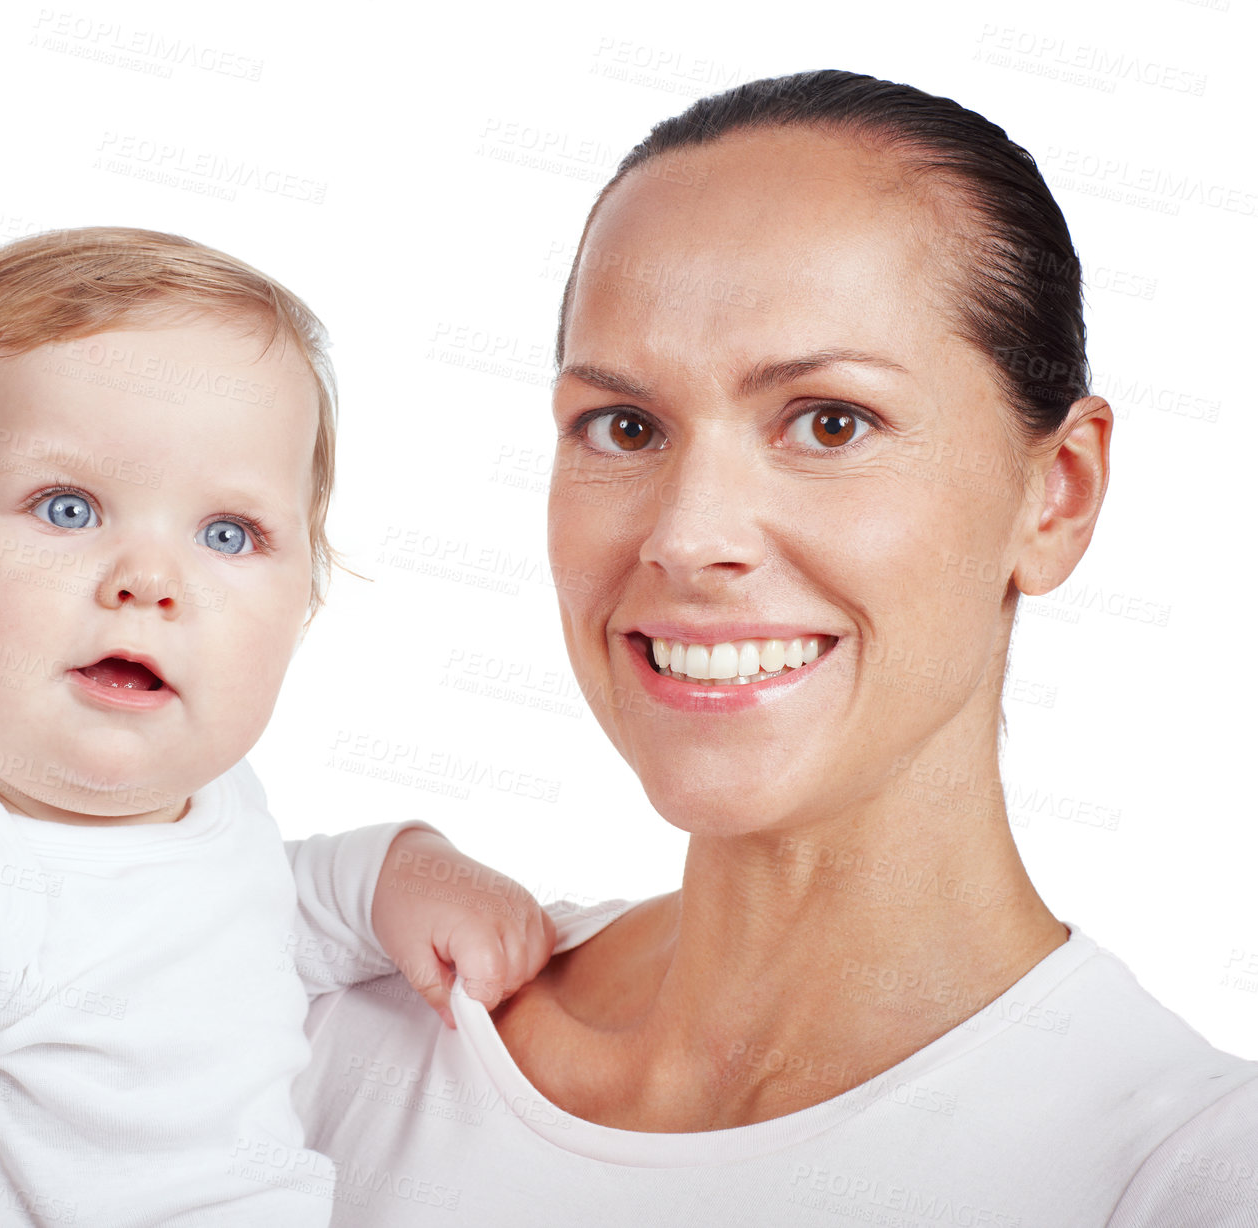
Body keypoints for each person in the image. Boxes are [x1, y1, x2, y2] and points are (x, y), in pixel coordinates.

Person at [295, 71, 1258, 1226]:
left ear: (1053, 496)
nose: (688, 535)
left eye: (828, 421)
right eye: (625, 425)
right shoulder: (328, 1036)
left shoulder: (1178, 1172)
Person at [0, 227, 555, 1228]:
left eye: (227, 534)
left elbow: (248, 922)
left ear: (302, 609)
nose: (148, 580)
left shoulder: (213, 812)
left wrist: (397, 871)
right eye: (69, 507)